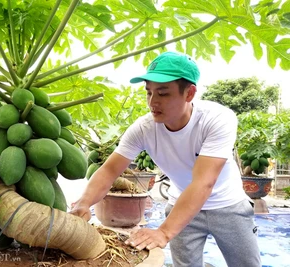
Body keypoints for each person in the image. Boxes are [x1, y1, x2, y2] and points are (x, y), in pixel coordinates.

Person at [70, 51, 261, 267]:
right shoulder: (143, 129)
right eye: (149, 93)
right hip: (181, 204)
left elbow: (204, 182)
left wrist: (164, 232)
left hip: (229, 206)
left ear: (189, 93)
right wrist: (84, 203)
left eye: (163, 93)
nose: (153, 102)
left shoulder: (217, 119)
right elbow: (109, 171)